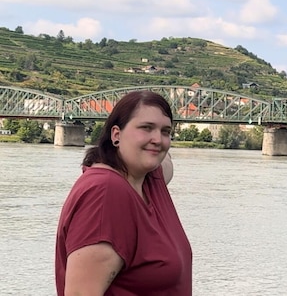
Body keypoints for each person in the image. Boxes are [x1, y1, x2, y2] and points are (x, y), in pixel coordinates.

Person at [55, 90, 192, 295]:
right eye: (146, 128)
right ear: (116, 134)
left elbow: (165, 159)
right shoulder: (104, 194)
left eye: (165, 131)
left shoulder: (149, 180)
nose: (157, 139)